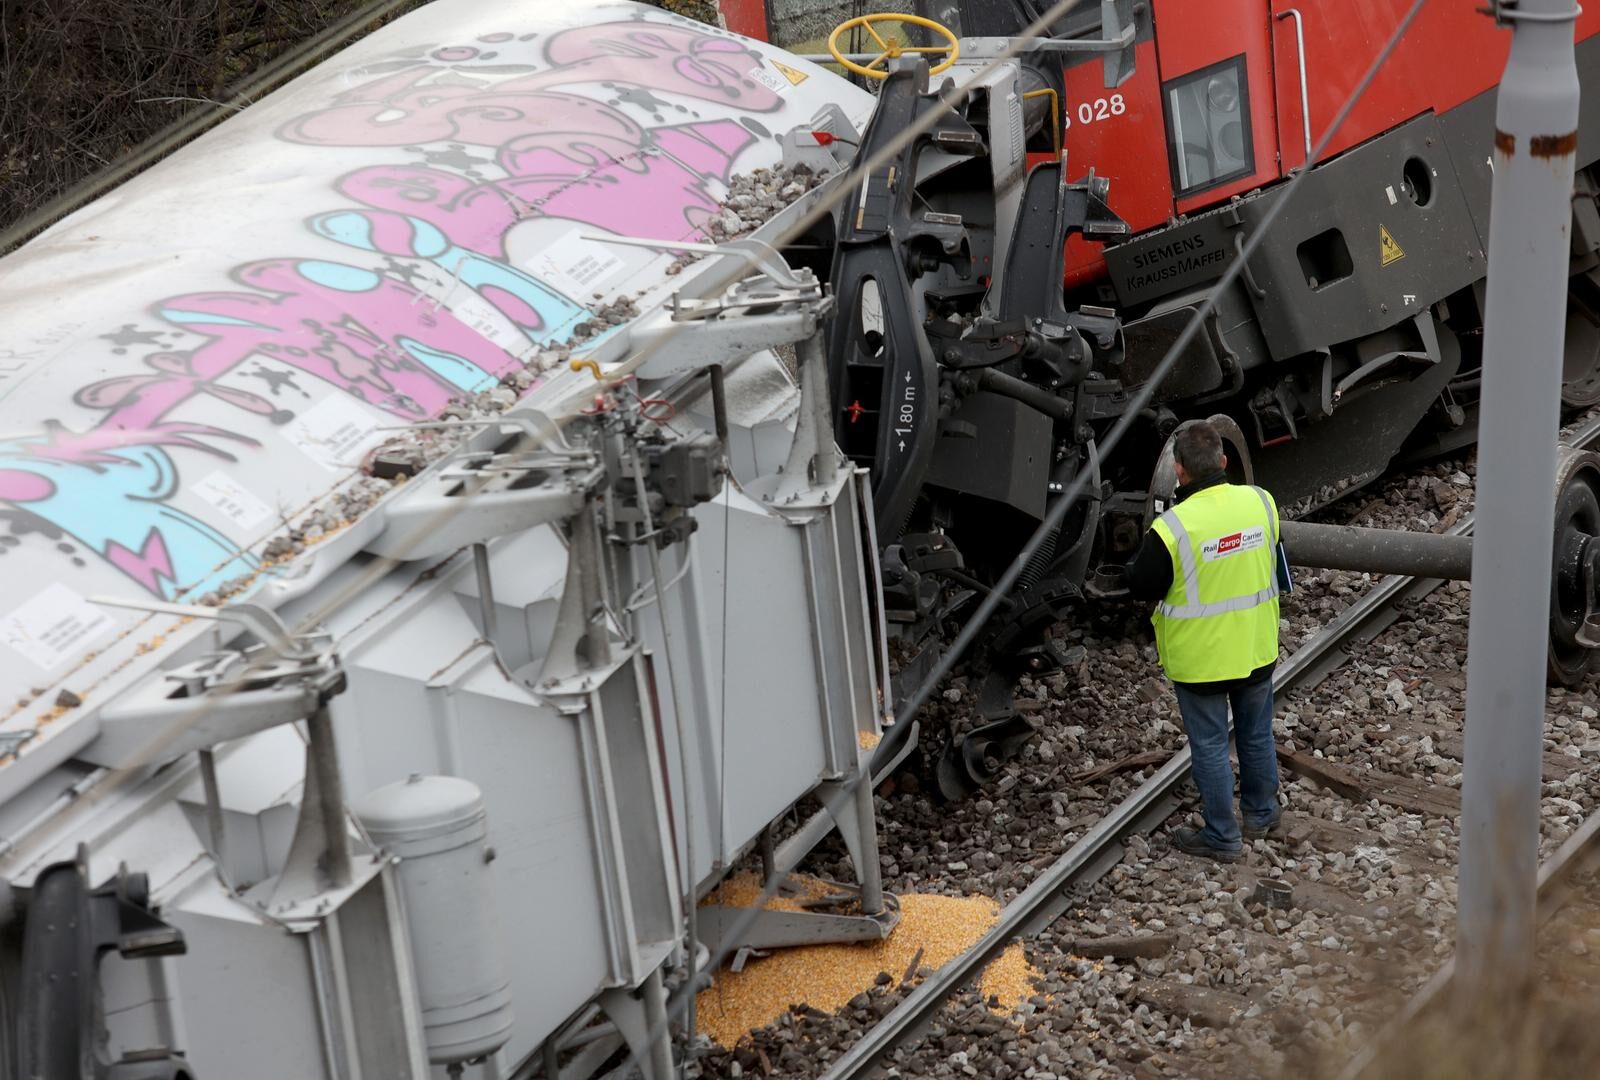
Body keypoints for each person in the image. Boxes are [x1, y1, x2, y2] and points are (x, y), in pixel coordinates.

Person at [1127, 420, 1286, 862]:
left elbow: (1141, 584)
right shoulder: (1261, 502)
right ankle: (1261, 814)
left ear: (1179, 471)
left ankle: (1222, 836)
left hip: (1201, 662)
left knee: (1212, 746)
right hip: (1255, 647)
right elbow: (1272, 552)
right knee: (1256, 736)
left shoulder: (1173, 528)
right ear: (1223, 461)